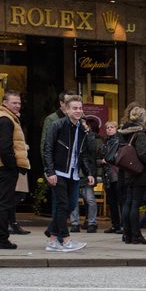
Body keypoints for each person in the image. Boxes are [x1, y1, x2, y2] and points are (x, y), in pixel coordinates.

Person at [42, 95, 91, 252]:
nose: (78, 111)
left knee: (70, 205)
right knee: (63, 205)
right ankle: (66, 240)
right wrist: (50, 172)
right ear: (67, 110)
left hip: (74, 173)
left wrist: (88, 172)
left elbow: (82, 153)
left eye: (80, 108)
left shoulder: (82, 128)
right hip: (58, 172)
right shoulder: (57, 125)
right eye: (74, 108)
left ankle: (52, 237)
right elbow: (47, 149)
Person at [0, 90, 30, 250]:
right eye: (14, 102)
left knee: (2, 203)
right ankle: (1, 240)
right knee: (5, 205)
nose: (17, 105)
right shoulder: (5, 119)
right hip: (4, 166)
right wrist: (12, 166)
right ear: (5, 102)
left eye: (19, 102)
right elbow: (5, 148)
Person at [118, 105, 146, 245]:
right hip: (139, 172)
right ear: (143, 119)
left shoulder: (123, 131)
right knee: (135, 204)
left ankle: (127, 234)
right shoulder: (140, 133)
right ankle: (136, 235)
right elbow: (144, 153)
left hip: (127, 171)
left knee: (129, 203)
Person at [69, 116, 99, 233]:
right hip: (74, 170)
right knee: (74, 199)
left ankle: (92, 222)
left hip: (86, 171)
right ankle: (75, 223)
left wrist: (87, 132)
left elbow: (92, 148)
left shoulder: (88, 134)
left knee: (90, 199)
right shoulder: (72, 132)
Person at [100, 120, 122, 234]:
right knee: (112, 202)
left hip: (116, 174)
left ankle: (122, 225)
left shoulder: (118, 141)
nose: (109, 129)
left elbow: (114, 157)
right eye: (107, 127)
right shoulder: (105, 142)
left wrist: (106, 160)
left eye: (112, 127)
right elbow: (100, 158)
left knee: (120, 201)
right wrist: (101, 161)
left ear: (116, 128)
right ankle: (115, 225)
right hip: (107, 175)